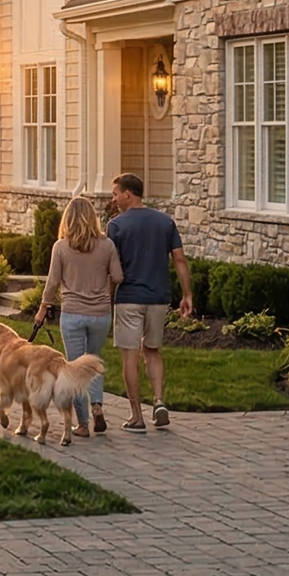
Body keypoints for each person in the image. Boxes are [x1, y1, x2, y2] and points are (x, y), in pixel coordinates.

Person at [104, 173, 192, 432]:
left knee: (130, 356)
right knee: (152, 350)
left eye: (115, 194)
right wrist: (187, 295)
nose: (113, 199)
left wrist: (107, 301)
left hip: (129, 298)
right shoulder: (165, 222)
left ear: (128, 194)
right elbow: (179, 260)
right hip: (158, 298)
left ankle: (136, 417)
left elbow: (112, 268)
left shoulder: (116, 225)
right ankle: (159, 401)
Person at [33, 194, 123, 436]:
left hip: (72, 314)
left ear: (68, 219)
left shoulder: (60, 247)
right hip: (100, 314)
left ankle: (82, 425)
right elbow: (118, 276)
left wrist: (43, 308)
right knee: (93, 362)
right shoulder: (107, 245)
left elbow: (52, 283)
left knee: (74, 370)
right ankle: (97, 407)